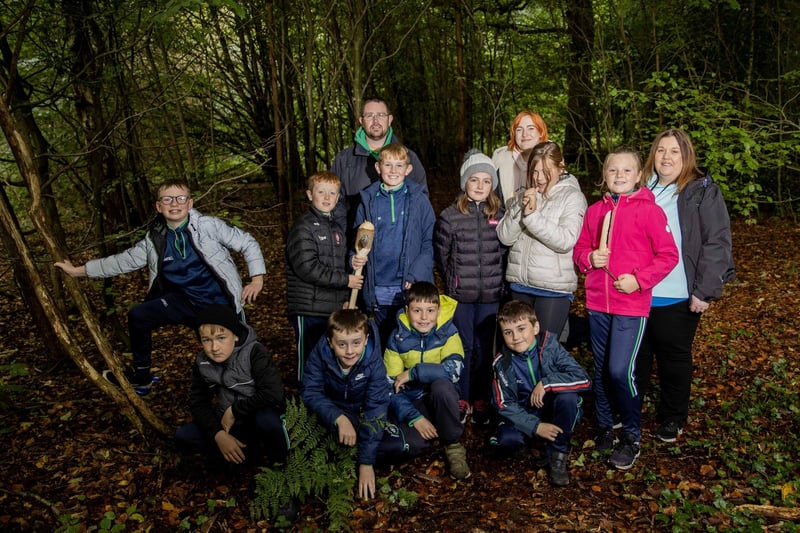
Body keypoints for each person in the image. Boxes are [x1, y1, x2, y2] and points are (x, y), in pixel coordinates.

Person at [54, 179, 266, 395]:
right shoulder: (155, 239)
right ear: (159, 206)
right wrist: (78, 271)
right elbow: (122, 261)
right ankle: (142, 378)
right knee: (139, 315)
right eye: (167, 199)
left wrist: (256, 278)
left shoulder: (208, 226)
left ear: (190, 203)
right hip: (184, 303)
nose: (174, 203)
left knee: (235, 358)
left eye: (180, 198)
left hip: (220, 306)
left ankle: (251, 398)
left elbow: (247, 242)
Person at [573, 147, 679, 470]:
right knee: (601, 369)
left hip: (631, 304)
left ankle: (631, 434)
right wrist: (590, 259)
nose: (619, 176)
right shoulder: (595, 212)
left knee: (620, 370)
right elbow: (580, 250)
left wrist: (638, 280)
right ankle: (607, 426)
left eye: (626, 171)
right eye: (613, 171)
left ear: (638, 176)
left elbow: (669, 255)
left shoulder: (650, 211)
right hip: (597, 302)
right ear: (604, 175)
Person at [635, 129, 736, 442]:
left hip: (678, 292)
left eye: (675, 152)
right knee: (636, 356)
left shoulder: (700, 191)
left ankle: (672, 417)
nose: (667, 157)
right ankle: (628, 413)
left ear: (686, 156)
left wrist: (704, 289)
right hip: (638, 290)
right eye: (662, 150)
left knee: (673, 358)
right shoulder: (641, 187)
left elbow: (717, 241)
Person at [301, 309, 409, 500]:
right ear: (330, 342)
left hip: (360, 415)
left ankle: (359, 455)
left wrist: (366, 463)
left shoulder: (374, 362)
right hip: (331, 414)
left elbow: (375, 406)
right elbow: (310, 392)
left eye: (356, 343)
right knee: (311, 442)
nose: (350, 351)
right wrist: (338, 418)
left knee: (397, 446)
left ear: (366, 340)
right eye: (342, 344)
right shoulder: (320, 354)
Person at [434, 149, 505, 425]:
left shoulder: (499, 213)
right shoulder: (450, 216)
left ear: (492, 186)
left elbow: (504, 251)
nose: (479, 186)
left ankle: (481, 398)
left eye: (486, 182)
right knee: (462, 346)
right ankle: (461, 398)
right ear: (465, 183)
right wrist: (453, 281)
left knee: (485, 347)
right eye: (474, 180)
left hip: (490, 295)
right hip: (461, 295)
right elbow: (441, 255)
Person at [490, 300, 591, 486]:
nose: (516, 337)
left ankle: (558, 453)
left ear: (535, 327)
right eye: (508, 332)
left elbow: (583, 379)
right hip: (525, 413)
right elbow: (503, 403)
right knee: (505, 440)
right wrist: (535, 426)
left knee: (569, 397)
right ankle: (530, 440)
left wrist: (547, 383)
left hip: (551, 409)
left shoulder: (550, 347)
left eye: (521, 329)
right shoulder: (502, 363)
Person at [174, 304, 289, 466]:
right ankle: (238, 454)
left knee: (267, 421)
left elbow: (273, 393)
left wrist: (234, 410)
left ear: (235, 335)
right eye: (207, 340)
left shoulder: (254, 352)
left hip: (259, 417)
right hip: (229, 425)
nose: (214, 348)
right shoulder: (202, 362)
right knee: (184, 436)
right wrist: (218, 434)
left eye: (221, 338)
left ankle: (279, 461)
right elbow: (198, 403)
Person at [496, 141, 587, 341]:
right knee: (519, 350)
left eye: (546, 171)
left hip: (553, 291)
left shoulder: (573, 197)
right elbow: (505, 237)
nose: (539, 178)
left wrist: (532, 216)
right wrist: (521, 208)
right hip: (520, 286)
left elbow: (565, 240)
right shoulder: (523, 194)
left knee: (544, 352)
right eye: (534, 171)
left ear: (560, 166)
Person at [384, 281, 470, 480]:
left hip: (440, 396)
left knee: (442, 386)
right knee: (412, 445)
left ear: (438, 310)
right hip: (413, 399)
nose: (424, 318)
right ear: (407, 311)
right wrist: (415, 417)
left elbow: (454, 371)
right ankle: (430, 427)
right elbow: (390, 385)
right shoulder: (397, 338)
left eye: (430, 310)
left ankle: (453, 444)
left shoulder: (449, 333)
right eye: (417, 310)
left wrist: (413, 373)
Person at [352, 142, 435, 346]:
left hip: (408, 284)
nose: (393, 171)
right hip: (379, 284)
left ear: (408, 169)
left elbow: (429, 241)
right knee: (384, 340)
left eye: (399, 165)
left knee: (410, 341)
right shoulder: (368, 200)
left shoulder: (419, 200)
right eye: (388, 165)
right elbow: (360, 240)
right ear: (378, 168)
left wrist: (415, 274)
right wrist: (353, 260)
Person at [286, 171, 363, 380]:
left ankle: (324, 408)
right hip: (308, 309)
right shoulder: (303, 228)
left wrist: (345, 299)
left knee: (327, 362)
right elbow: (308, 268)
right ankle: (302, 410)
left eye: (332, 193)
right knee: (309, 361)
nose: (327, 198)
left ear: (338, 198)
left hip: (331, 309)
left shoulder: (336, 228)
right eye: (321, 192)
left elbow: (336, 266)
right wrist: (347, 280)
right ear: (310, 195)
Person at [331, 97, 428, 231]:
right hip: (357, 243)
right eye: (369, 115)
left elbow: (421, 201)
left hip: (400, 242)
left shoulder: (409, 157)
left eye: (381, 115)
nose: (375, 121)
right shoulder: (344, 160)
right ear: (361, 121)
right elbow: (334, 203)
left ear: (390, 119)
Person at [492, 111, 549, 206]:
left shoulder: (551, 158)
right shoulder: (500, 161)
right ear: (514, 134)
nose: (525, 134)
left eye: (531, 128)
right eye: (519, 129)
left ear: (541, 132)